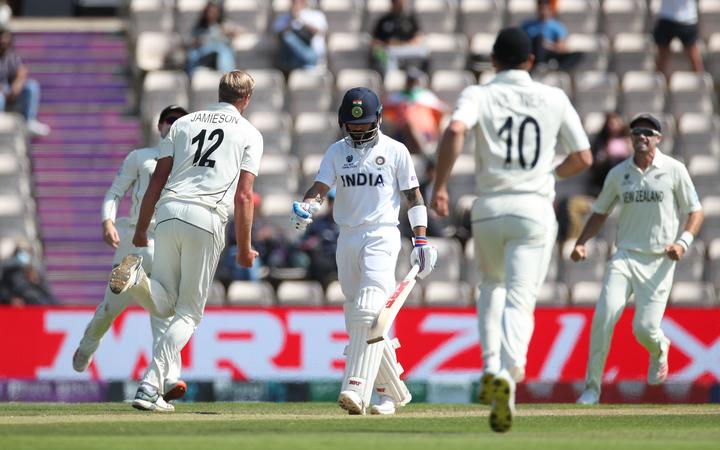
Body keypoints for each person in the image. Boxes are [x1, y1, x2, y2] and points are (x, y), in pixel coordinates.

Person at [431, 28, 592, 432]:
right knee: (521, 296)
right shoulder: (553, 97)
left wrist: (441, 185)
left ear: (494, 59)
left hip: (489, 207)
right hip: (534, 207)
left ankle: (489, 366)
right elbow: (584, 157)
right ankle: (507, 374)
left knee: (491, 286)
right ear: (532, 62)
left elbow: (454, 131)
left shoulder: (479, 92)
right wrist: (550, 173)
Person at [108, 70, 263, 412]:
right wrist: (244, 247)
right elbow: (244, 197)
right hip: (205, 217)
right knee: (189, 314)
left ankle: (136, 279)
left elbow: (157, 180)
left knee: (164, 304)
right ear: (246, 99)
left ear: (219, 92)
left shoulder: (184, 123)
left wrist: (140, 230)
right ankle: (149, 386)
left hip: (167, 213)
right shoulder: (250, 133)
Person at [291, 87, 438, 415]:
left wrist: (421, 239)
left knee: (368, 310)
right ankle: (392, 392)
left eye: (364, 125)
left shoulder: (396, 150)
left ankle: (356, 388)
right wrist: (308, 204)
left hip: (382, 235)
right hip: (348, 237)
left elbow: (413, 197)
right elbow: (321, 187)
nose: (358, 131)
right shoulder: (335, 152)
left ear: (379, 120)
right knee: (359, 316)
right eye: (352, 126)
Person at [573, 113, 703, 405]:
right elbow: (600, 212)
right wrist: (582, 242)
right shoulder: (619, 173)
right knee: (603, 318)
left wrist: (683, 243)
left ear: (658, 138)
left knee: (643, 329)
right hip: (625, 256)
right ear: (629, 139)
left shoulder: (674, 169)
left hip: (659, 260)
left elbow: (695, 212)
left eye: (648, 132)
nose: (641, 136)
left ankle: (659, 349)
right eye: (636, 132)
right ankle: (592, 389)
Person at [72, 106, 190, 407]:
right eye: (170, 120)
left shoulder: (189, 163)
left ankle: (167, 379)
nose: (174, 125)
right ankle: (88, 345)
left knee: (164, 312)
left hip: (167, 243)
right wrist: (107, 221)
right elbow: (115, 192)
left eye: (180, 121)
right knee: (110, 308)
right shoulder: (141, 157)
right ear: (161, 125)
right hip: (135, 242)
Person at [558, 112, 633, 244]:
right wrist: (602, 158)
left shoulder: (630, 148)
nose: (613, 126)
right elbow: (592, 167)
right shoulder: (599, 144)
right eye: (610, 122)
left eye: (616, 122)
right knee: (570, 205)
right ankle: (574, 242)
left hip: (620, 196)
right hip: (597, 195)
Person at [383, 68, 448, 155]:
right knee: (407, 124)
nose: (412, 85)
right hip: (400, 135)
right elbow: (383, 111)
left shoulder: (426, 96)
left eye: (414, 82)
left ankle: (424, 152)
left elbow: (444, 110)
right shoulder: (396, 97)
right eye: (410, 81)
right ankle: (426, 155)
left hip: (425, 133)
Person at [0, 28, 50, 136]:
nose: (4, 42)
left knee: (31, 86)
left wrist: (17, 85)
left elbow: (21, 71)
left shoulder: (11, 56)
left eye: (6, 39)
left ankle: (29, 121)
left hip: (11, 92)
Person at [521, 0, 582, 73]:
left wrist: (546, 44)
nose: (543, 11)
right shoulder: (527, 25)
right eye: (541, 8)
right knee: (538, 39)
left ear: (550, 9)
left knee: (578, 54)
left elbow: (562, 48)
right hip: (533, 53)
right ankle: (538, 65)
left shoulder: (557, 26)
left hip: (549, 52)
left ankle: (559, 70)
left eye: (545, 8)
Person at [370, 0, 428, 75]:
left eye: (403, 2)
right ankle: (391, 79)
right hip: (389, 50)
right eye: (398, 2)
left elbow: (418, 37)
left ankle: (417, 78)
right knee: (385, 54)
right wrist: (387, 44)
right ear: (392, 3)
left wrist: (401, 44)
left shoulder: (410, 18)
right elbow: (375, 40)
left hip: (407, 49)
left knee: (423, 51)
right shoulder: (384, 20)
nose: (402, 4)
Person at [299, 187, 340, 289]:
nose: (333, 204)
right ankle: (322, 294)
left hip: (343, 257)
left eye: (336, 201)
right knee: (318, 264)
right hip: (324, 257)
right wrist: (311, 242)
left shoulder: (348, 223)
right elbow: (303, 242)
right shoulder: (318, 223)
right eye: (331, 201)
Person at [272, 0, 328, 73]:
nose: (298, 3)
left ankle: (308, 63)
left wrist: (302, 20)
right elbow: (278, 35)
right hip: (290, 59)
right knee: (288, 37)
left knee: (289, 38)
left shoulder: (317, 15)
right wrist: (292, 19)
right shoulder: (283, 18)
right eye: (295, 1)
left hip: (313, 55)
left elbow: (318, 31)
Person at [653, 0, 704, 79]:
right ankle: (657, 85)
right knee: (661, 58)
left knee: (694, 56)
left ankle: (701, 83)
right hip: (666, 16)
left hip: (687, 18)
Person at [186, 1, 238, 75]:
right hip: (203, 53)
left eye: (213, 12)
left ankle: (228, 78)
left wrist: (228, 32)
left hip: (220, 52)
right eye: (209, 12)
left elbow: (236, 32)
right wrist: (199, 41)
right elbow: (193, 41)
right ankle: (190, 77)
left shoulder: (223, 25)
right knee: (192, 54)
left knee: (225, 53)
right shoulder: (199, 27)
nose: (211, 14)